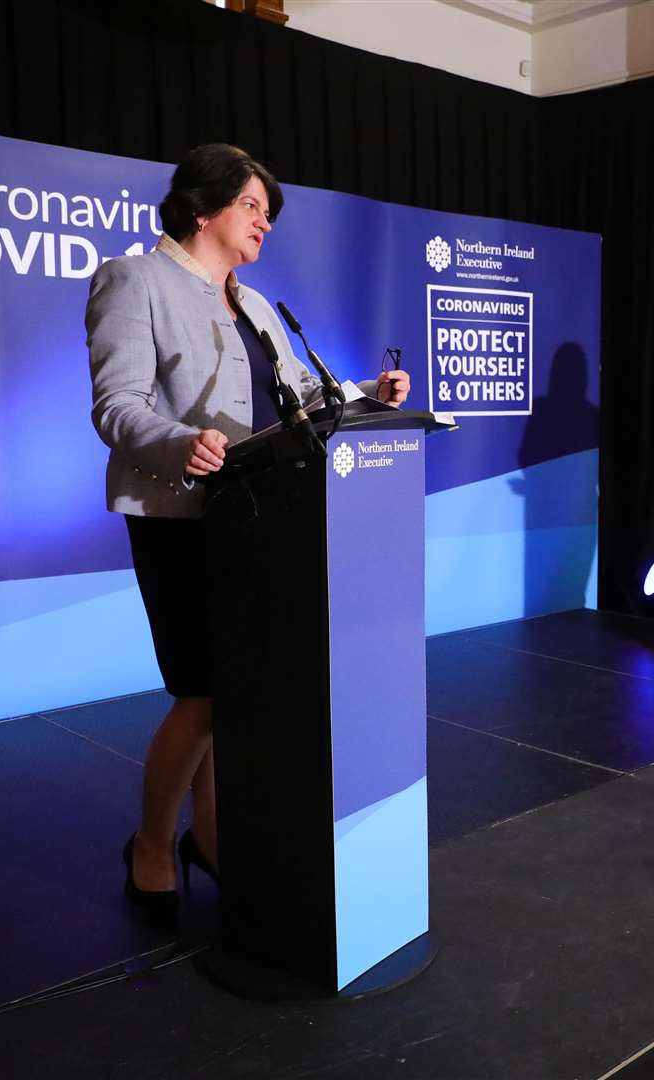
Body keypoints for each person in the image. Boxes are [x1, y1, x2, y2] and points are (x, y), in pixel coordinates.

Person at [87, 143, 411, 926]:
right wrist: (176, 441)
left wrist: (368, 392)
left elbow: (302, 398)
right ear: (205, 208)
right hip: (179, 518)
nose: (266, 222)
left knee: (236, 699)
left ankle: (214, 837)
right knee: (200, 697)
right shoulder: (135, 281)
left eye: (269, 212)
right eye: (253, 207)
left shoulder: (257, 303)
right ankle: (152, 848)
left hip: (257, 522)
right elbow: (117, 403)